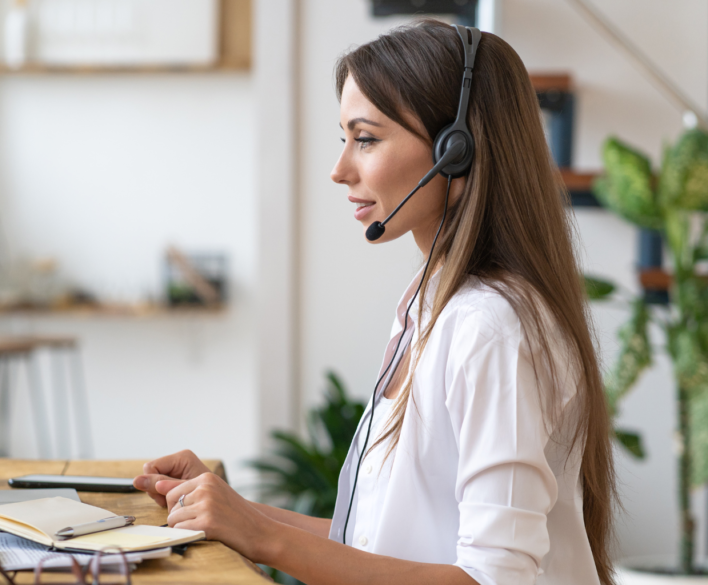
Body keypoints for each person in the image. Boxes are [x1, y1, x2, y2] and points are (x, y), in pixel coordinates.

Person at [133, 20, 616, 585]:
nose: (340, 171)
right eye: (345, 138)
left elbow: (494, 579)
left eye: (365, 138)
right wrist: (232, 512)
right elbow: (371, 544)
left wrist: (262, 535)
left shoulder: (492, 328)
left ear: (454, 153)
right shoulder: (430, 304)